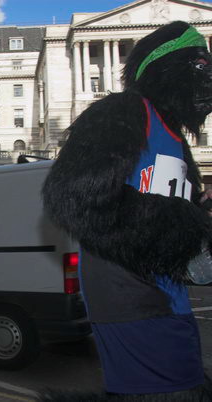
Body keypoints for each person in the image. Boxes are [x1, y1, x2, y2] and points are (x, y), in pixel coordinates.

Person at [41, 22, 212, 400]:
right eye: (199, 64)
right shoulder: (123, 112)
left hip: (172, 293)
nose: (208, 73)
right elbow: (72, 196)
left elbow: (183, 210)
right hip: (127, 294)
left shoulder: (176, 139)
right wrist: (178, 229)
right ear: (165, 68)